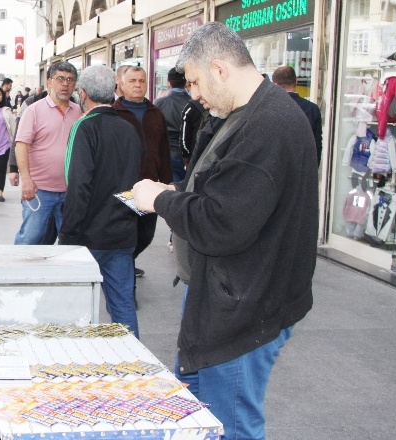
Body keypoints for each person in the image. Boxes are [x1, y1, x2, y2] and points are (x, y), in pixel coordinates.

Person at [131, 22, 318, 440]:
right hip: (227, 296)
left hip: (244, 308)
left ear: (219, 69)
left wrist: (158, 201)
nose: (192, 94)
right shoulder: (250, 114)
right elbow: (230, 192)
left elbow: (222, 222)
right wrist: (178, 190)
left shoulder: (266, 125)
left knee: (228, 425)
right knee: (200, 415)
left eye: (195, 82)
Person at [60, 64, 143, 338]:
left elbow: (78, 186)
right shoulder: (129, 128)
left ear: (82, 94)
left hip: (89, 235)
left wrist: (69, 235)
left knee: (76, 307)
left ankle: (79, 364)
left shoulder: (83, 128)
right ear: (114, 91)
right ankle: (134, 365)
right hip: (123, 232)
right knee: (122, 305)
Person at [12, 61, 82, 245]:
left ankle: (63, 274)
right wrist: (26, 179)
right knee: (30, 237)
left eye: (70, 80)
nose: (65, 84)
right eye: (60, 79)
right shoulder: (34, 111)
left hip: (70, 191)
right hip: (39, 190)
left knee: (70, 241)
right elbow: (21, 145)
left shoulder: (79, 112)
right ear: (49, 82)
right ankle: (16, 271)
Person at [113, 66, 172, 278]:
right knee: (125, 236)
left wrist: (166, 181)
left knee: (146, 235)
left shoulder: (156, 113)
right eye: (133, 81)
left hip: (149, 186)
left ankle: (126, 263)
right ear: (120, 82)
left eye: (142, 81)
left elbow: (163, 148)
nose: (138, 85)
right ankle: (125, 278)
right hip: (124, 188)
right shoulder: (114, 113)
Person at [272, 65, 323, 165]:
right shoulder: (312, 109)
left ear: (275, 84)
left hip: (276, 170)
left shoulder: (269, 107)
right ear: (296, 81)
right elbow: (316, 145)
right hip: (303, 168)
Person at [155, 68, 194, 183]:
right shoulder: (193, 103)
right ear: (186, 83)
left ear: (168, 83)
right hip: (188, 155)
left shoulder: (159, 103)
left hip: (168, 154)